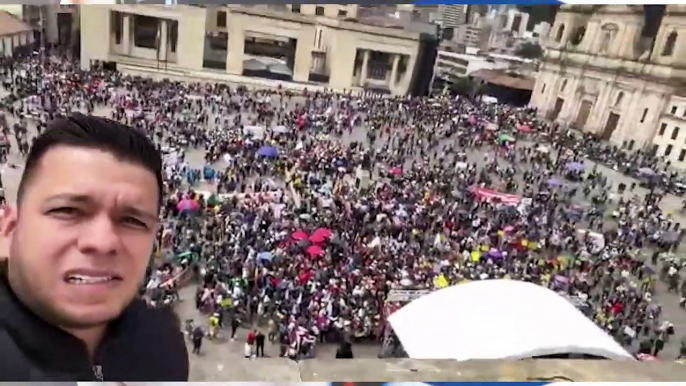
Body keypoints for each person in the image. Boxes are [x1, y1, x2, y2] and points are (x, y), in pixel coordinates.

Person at [0, 114, 189, 381]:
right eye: (67, 210)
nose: (102, 242)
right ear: (9, 228)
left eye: (132, 220)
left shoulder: (162, 343)